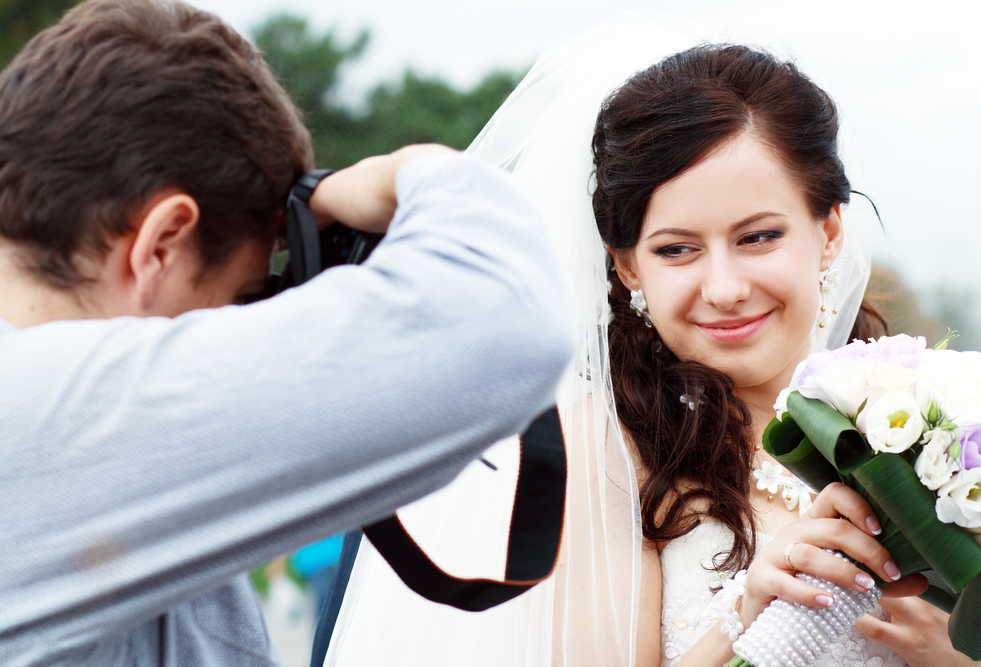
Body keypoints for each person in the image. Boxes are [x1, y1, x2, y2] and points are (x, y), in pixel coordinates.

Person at [324, 12, 981, 667]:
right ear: (627, 266)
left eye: (758, 236)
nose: (725, 286)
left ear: (828, 233)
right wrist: (747, 614)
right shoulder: (602, 456)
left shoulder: (948, 427)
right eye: (678, 249)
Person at [0, 1, 575, 665]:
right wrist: (402, 173)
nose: (238, 324)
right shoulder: (49, 412)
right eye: (242, 295)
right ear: (160, 246)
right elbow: (508, 313)